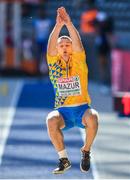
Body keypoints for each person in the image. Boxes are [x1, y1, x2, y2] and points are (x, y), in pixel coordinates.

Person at [46, 7, 99, 174]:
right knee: (51, 119)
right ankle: (63, 159)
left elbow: (77, 43)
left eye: (67, 45)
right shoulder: (54, 65)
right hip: (63, 112)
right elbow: (50, 48)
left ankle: (86, 151)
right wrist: (57, 27)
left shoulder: (79, 62)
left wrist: (68, 24)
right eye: (61, 45)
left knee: (93, 117)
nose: (64, 47)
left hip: (82, 108)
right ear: (57, 50)